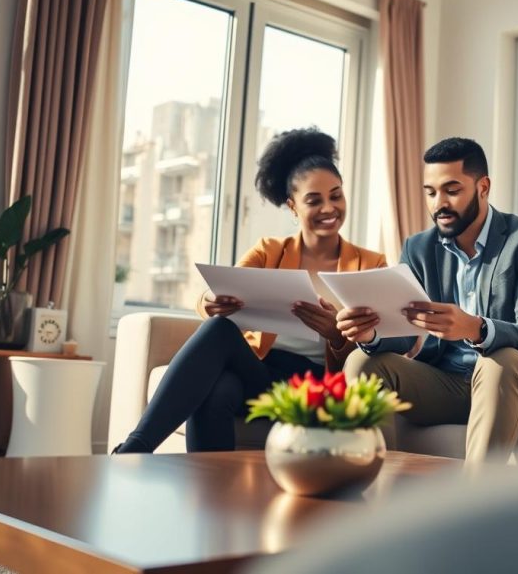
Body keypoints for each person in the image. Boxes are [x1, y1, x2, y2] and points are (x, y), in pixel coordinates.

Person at [113, 128, 387, 453]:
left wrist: (336, 335)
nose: (329, 207)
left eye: (336, 195)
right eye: (314, 200)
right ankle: (161, 464)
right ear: (292, 206)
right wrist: (211, 302)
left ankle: (133, 452)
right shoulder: (269, 251)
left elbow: (378, 346)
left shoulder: (371, 264)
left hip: (318, 384)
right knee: (219, 355)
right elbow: (214, 296)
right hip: (262, 371)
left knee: (219, 388)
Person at [337, 137, 518, 465]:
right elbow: (406, 327)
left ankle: (475, 507)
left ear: (483, 187)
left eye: (452, 190)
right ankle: (379, 495)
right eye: (430, 192)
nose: (438, 203)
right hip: (449, 383)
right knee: (361, 363)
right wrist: (370, 333)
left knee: (497, 361)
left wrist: (475, 328)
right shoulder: (418, 247)